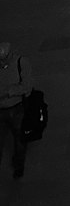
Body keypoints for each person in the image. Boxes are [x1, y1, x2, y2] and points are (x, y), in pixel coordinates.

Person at [0, 41, 31, 179]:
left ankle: (19, 165)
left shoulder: (21, 62)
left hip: (17, 109)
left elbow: (27, 86)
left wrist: (7, 92)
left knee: (19, 142)